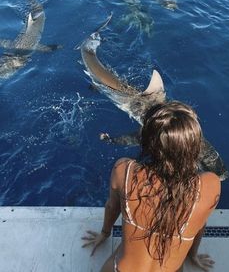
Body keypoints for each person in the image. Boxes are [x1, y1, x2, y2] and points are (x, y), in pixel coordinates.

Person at [82, 101, 221, 272]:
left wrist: (104, 233)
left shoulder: (124, 170)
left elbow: (112, 207)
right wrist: (192, 256)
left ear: (146, 141)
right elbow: (199, 224)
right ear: (194, 147)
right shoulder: (210, 184)